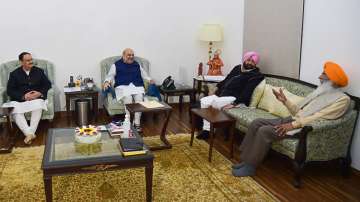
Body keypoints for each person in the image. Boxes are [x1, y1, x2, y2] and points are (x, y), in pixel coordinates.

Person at [232, 61, 350, 177]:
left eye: (323, 74)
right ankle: (246, 160)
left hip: (303, 128)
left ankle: (250, 167)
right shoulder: (321, 93)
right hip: (292, 120)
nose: (319, 76)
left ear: (332, 81)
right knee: (256, 123)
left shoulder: (342, 100)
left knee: (264, 131)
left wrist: (293, 125)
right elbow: (299, 112)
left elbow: (317, 118)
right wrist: (285, 101)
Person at [197, 51, 264, 139]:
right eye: (248, 60)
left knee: (212, 102)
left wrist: (234, 103)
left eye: (252, 61)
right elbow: (226, 79)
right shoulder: (237, 68)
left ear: (255, 64)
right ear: (244, 60)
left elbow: (247, 92)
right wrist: (216, 88)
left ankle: (210, 129)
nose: (250, 63)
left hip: (235, 98)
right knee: (204, 100)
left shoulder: (256, 75)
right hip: (223, 95)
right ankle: (208, 130)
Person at [3, 52, 51, 144]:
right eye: (28, 60)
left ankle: (29, 134)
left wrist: (39, 93)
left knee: (39, 105)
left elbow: (47, 84)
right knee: (14, 110)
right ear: (21, 62)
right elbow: (10, 90)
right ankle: (30, 133)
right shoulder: (14, 74)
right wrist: (24, 96)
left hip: (35, 99)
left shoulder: (39, 71)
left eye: (31, 60)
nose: (30, 62)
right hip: (20, 100)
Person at [103, 48, 154, 131]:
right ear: (123, 55)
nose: (131, 57)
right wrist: (106, 82)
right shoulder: (116, 65)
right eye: (129, 55)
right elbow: (110, 76)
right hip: (122, 86)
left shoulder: (137, 64)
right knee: (128, 98)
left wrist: (149, 79)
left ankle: (137, 123)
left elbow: (144, 74)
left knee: (139, 98)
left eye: (132, 55)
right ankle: (128, 122)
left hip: (136, 85)